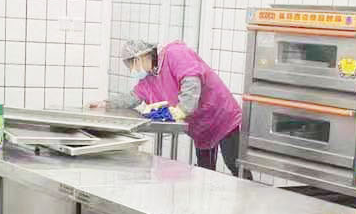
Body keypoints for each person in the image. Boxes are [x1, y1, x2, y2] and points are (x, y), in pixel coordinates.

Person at [91, 38, 244, 176]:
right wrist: (107, 104)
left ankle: (248, 194)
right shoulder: (149, 79)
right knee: (205, 172)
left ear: (142, 56)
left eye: (133, 65)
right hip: (201, 127)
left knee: (234, 165)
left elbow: (191, 80)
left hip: (221, 115)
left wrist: (183, 109)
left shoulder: (174, 53)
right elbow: (133, 97)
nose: (133, 70)